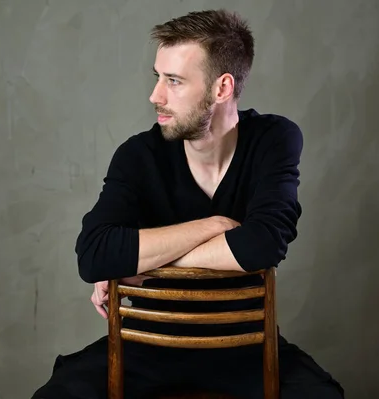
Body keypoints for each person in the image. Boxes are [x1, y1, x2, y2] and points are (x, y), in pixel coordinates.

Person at [32, 9, 344, 399]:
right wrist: (212, 226)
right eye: (157, 77)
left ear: (221, 88)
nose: (155, 95)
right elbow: (94, 255)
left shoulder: (274, 139)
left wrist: (140, 260)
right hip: (145, 345)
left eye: (174, 81)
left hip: (246, 348)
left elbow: (263, 244)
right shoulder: (137, 155)